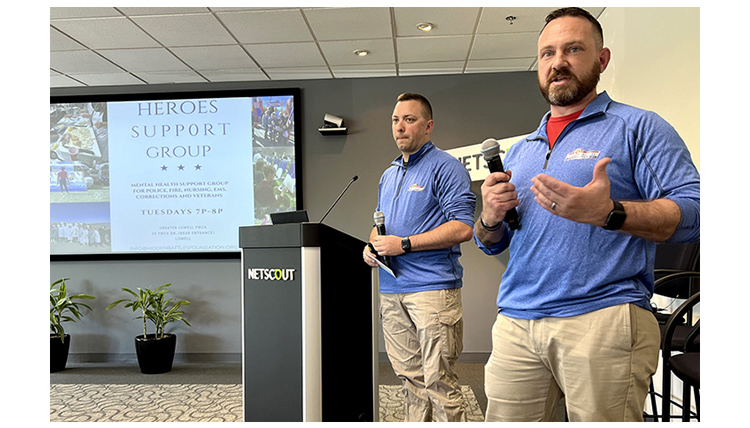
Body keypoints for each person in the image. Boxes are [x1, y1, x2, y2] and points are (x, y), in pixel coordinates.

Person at [474, 7, 700, 422]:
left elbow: (698, 212)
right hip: (516, 323)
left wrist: (612, 213)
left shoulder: (638, 128)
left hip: (603, 317)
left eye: (573, 49)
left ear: (602, 59)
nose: (557, 62)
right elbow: (494, 242)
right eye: (547, 53)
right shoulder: (524, 149)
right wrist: (489, 218)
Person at [363, 93, 476, 422]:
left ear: (428, 126)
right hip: (392, 291)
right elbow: (379, 227)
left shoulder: (446, 167)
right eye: (395, 121)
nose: (400, 127)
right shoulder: (389, 175)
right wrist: (373, 246)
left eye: (409, 120)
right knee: (410, 381)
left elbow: (462, 227)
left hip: (432, 291)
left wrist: (405, 245)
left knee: (440, 382)